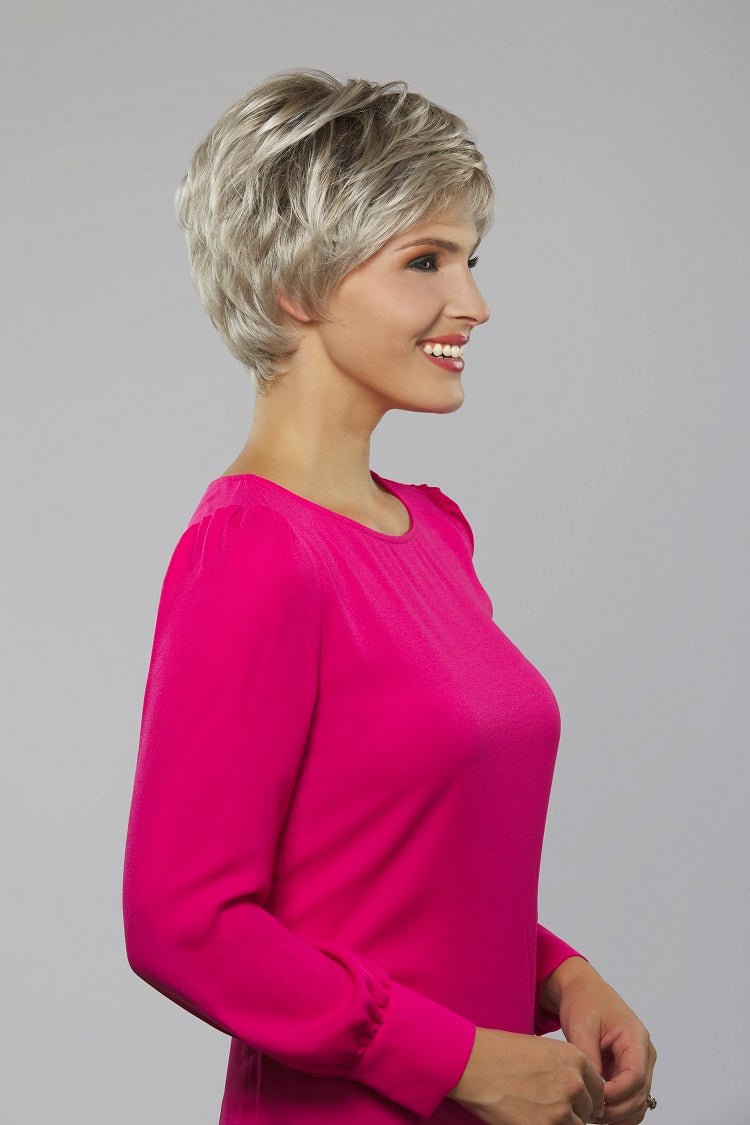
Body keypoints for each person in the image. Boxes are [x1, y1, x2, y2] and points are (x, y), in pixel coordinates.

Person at [122, 68, 658, 1124]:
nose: (474, 304)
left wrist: (561, 975)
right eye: (425, 261)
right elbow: (184, 922)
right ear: (298, 284)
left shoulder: (436, 534)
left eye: (469, 259)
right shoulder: (255, 550)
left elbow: (406, 875)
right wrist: (461, 1061)